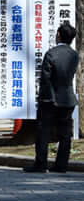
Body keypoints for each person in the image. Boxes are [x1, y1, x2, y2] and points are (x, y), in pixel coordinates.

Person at [24, 21, 79, 174]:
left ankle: (41, 164)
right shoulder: (74, 55)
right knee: (65, 134)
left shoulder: (51, 54)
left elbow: (45, 79)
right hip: (67, 98)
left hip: (50, 99)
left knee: (43, 132)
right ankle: (61, 165)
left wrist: (45, 97)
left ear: (59, 35)